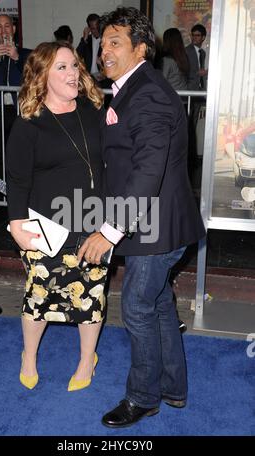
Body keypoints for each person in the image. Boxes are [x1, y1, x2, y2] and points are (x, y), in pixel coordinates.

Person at [78, 7, 205, 428]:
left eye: (116, 43)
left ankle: (143, 398)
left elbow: (148, 172)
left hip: (156, 227)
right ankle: (174, 388)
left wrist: (108, 233)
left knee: (135, 306)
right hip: (157, 221)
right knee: (158, 304)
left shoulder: (147, 92)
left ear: (142, 49)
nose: (104, 51)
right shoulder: (132, 89)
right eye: (103, 44)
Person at [6, 41, 107, 392]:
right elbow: (17, 180)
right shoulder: (29, 123)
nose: (72, 73)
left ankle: (86, 360)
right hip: (43, 226)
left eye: (74, 66)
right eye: (62, 67)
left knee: (90, 294)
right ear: (44, 75)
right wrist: (16, 223)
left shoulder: (93, 111)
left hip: (91, 222)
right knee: (39, 294)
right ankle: (29, 356)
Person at [0, 15, 31, 186]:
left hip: (20, 112)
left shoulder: (26, 54)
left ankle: (21, 194)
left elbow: (33, 75)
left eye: (7, 26)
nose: (4, 31)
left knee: (22, 154)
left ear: (14, 29)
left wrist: (17, 57)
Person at [185, 24, 208, 172]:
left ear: (203, 37)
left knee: (194, 123)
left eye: (198, 35)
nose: (195, 38)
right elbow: (184, 70)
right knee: (189, 123)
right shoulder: (187, 51)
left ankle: (192, 155)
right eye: (193, 35)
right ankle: (188, 156)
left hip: (200, 91)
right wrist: (197, 74)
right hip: (190, 91)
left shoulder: (203, 52)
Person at [76, 13, 102, 80]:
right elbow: (77, 56)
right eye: (93, 28)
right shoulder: (86, 40)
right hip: (89, 78)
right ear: (89, 28)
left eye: (98, 28)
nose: (96, 31)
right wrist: (84, 38)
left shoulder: (106, 40)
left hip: (103, 78)